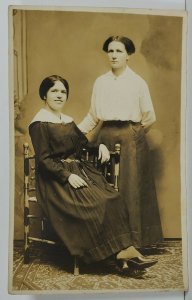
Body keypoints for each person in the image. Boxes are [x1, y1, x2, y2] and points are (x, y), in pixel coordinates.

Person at [29, 75, 157, 276]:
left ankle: (125, 257)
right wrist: (66, 176)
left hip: (76, 172)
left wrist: (101, 147)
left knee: (112, 198)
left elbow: (82, 144)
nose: (59, 95)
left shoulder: (67, 120)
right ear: (44, 94)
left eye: (63, 91)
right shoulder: (39, 123)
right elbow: (44, 160)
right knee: (96, 204)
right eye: (54, 91)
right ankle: (118, 257)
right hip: (54, 181)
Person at [78, 36, 163, 248]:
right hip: (105, 136)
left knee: (129, 189)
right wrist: (74, 133)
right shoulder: (101, 82)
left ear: (128, 55)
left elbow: (149, 117)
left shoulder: (137, 83)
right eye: (110, 51)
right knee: (106, 188)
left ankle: (132, 244)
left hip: (131, 137)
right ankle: (109, 243)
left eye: (119, 51)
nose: (114, 55)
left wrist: (133, 135)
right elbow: (93, 115)